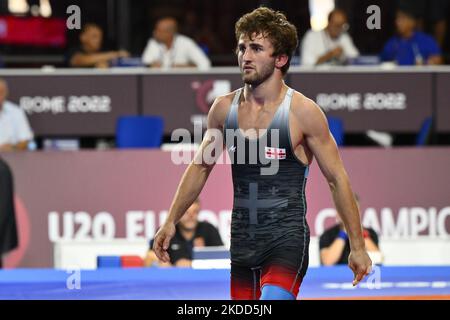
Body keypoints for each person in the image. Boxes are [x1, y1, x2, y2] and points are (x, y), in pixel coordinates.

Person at [153, 7, 372, 300]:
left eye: (257, 48)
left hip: (287, 241)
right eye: (242, 47)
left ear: (280, 59)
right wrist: (170, 221)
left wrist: (357, 246)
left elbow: (337, 179)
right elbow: (200, 167)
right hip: (242, 243)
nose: (246, 55)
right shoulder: (222, 109)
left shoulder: (303, 113)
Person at [145, 198, 223, 267]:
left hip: (203, 279)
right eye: (186, 212)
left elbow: (223, 259)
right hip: (173, 279)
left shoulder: (209, 230)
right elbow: (150, 255)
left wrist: (192, 264)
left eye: (195, 212)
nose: (191, 216)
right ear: (178, 213)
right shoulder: (167, 231)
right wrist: (165, 265)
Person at [319, 194, 382, 266]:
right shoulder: (327, 235)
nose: (349, 214)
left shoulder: (370, 233)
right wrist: (344, 232)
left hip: (364, 276)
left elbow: (378, 259)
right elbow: (327, 262)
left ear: (359, 213)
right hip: (337, 276)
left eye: (354, 210)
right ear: (338, 213)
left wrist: (359, 231)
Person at [141, 16, 211, 70]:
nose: (155, 33)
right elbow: (146, 63)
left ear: (170, 33)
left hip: (182, 82)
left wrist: (185, 68)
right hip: (158, 83)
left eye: (159, 31)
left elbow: (205, 64)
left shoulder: (186, 43)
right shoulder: (153, 42)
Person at [0, 79, 34, 151]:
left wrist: (12, 148)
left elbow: (25, 140)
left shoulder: (16, 111)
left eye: (1, 92)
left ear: (6, 93)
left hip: (11, 157)